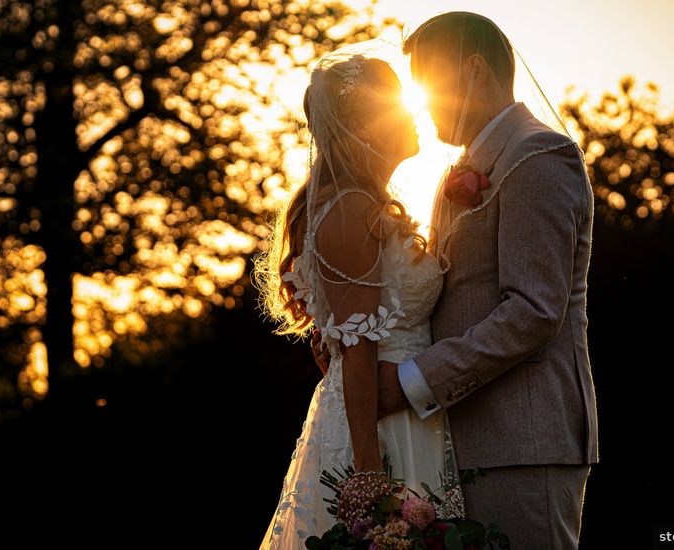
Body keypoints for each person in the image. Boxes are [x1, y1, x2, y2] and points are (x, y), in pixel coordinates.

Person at [310, 11, 599, 549]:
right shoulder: (458, 172)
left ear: (473, 71)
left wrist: (409, 381)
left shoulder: (538, 156)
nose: (422, 104)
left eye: (430, 85)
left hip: (522, 441)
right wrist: (344, 331)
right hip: (452, 440)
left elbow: (533, 310)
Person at [252, 49, 463, 550]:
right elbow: (360, 346)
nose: (412, 112)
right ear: (364, 126)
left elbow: (343, 332)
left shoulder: (362, 204)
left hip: (409, 407)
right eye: (396, 103)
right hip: (384, 427)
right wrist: (370, 471)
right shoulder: (350, 209)